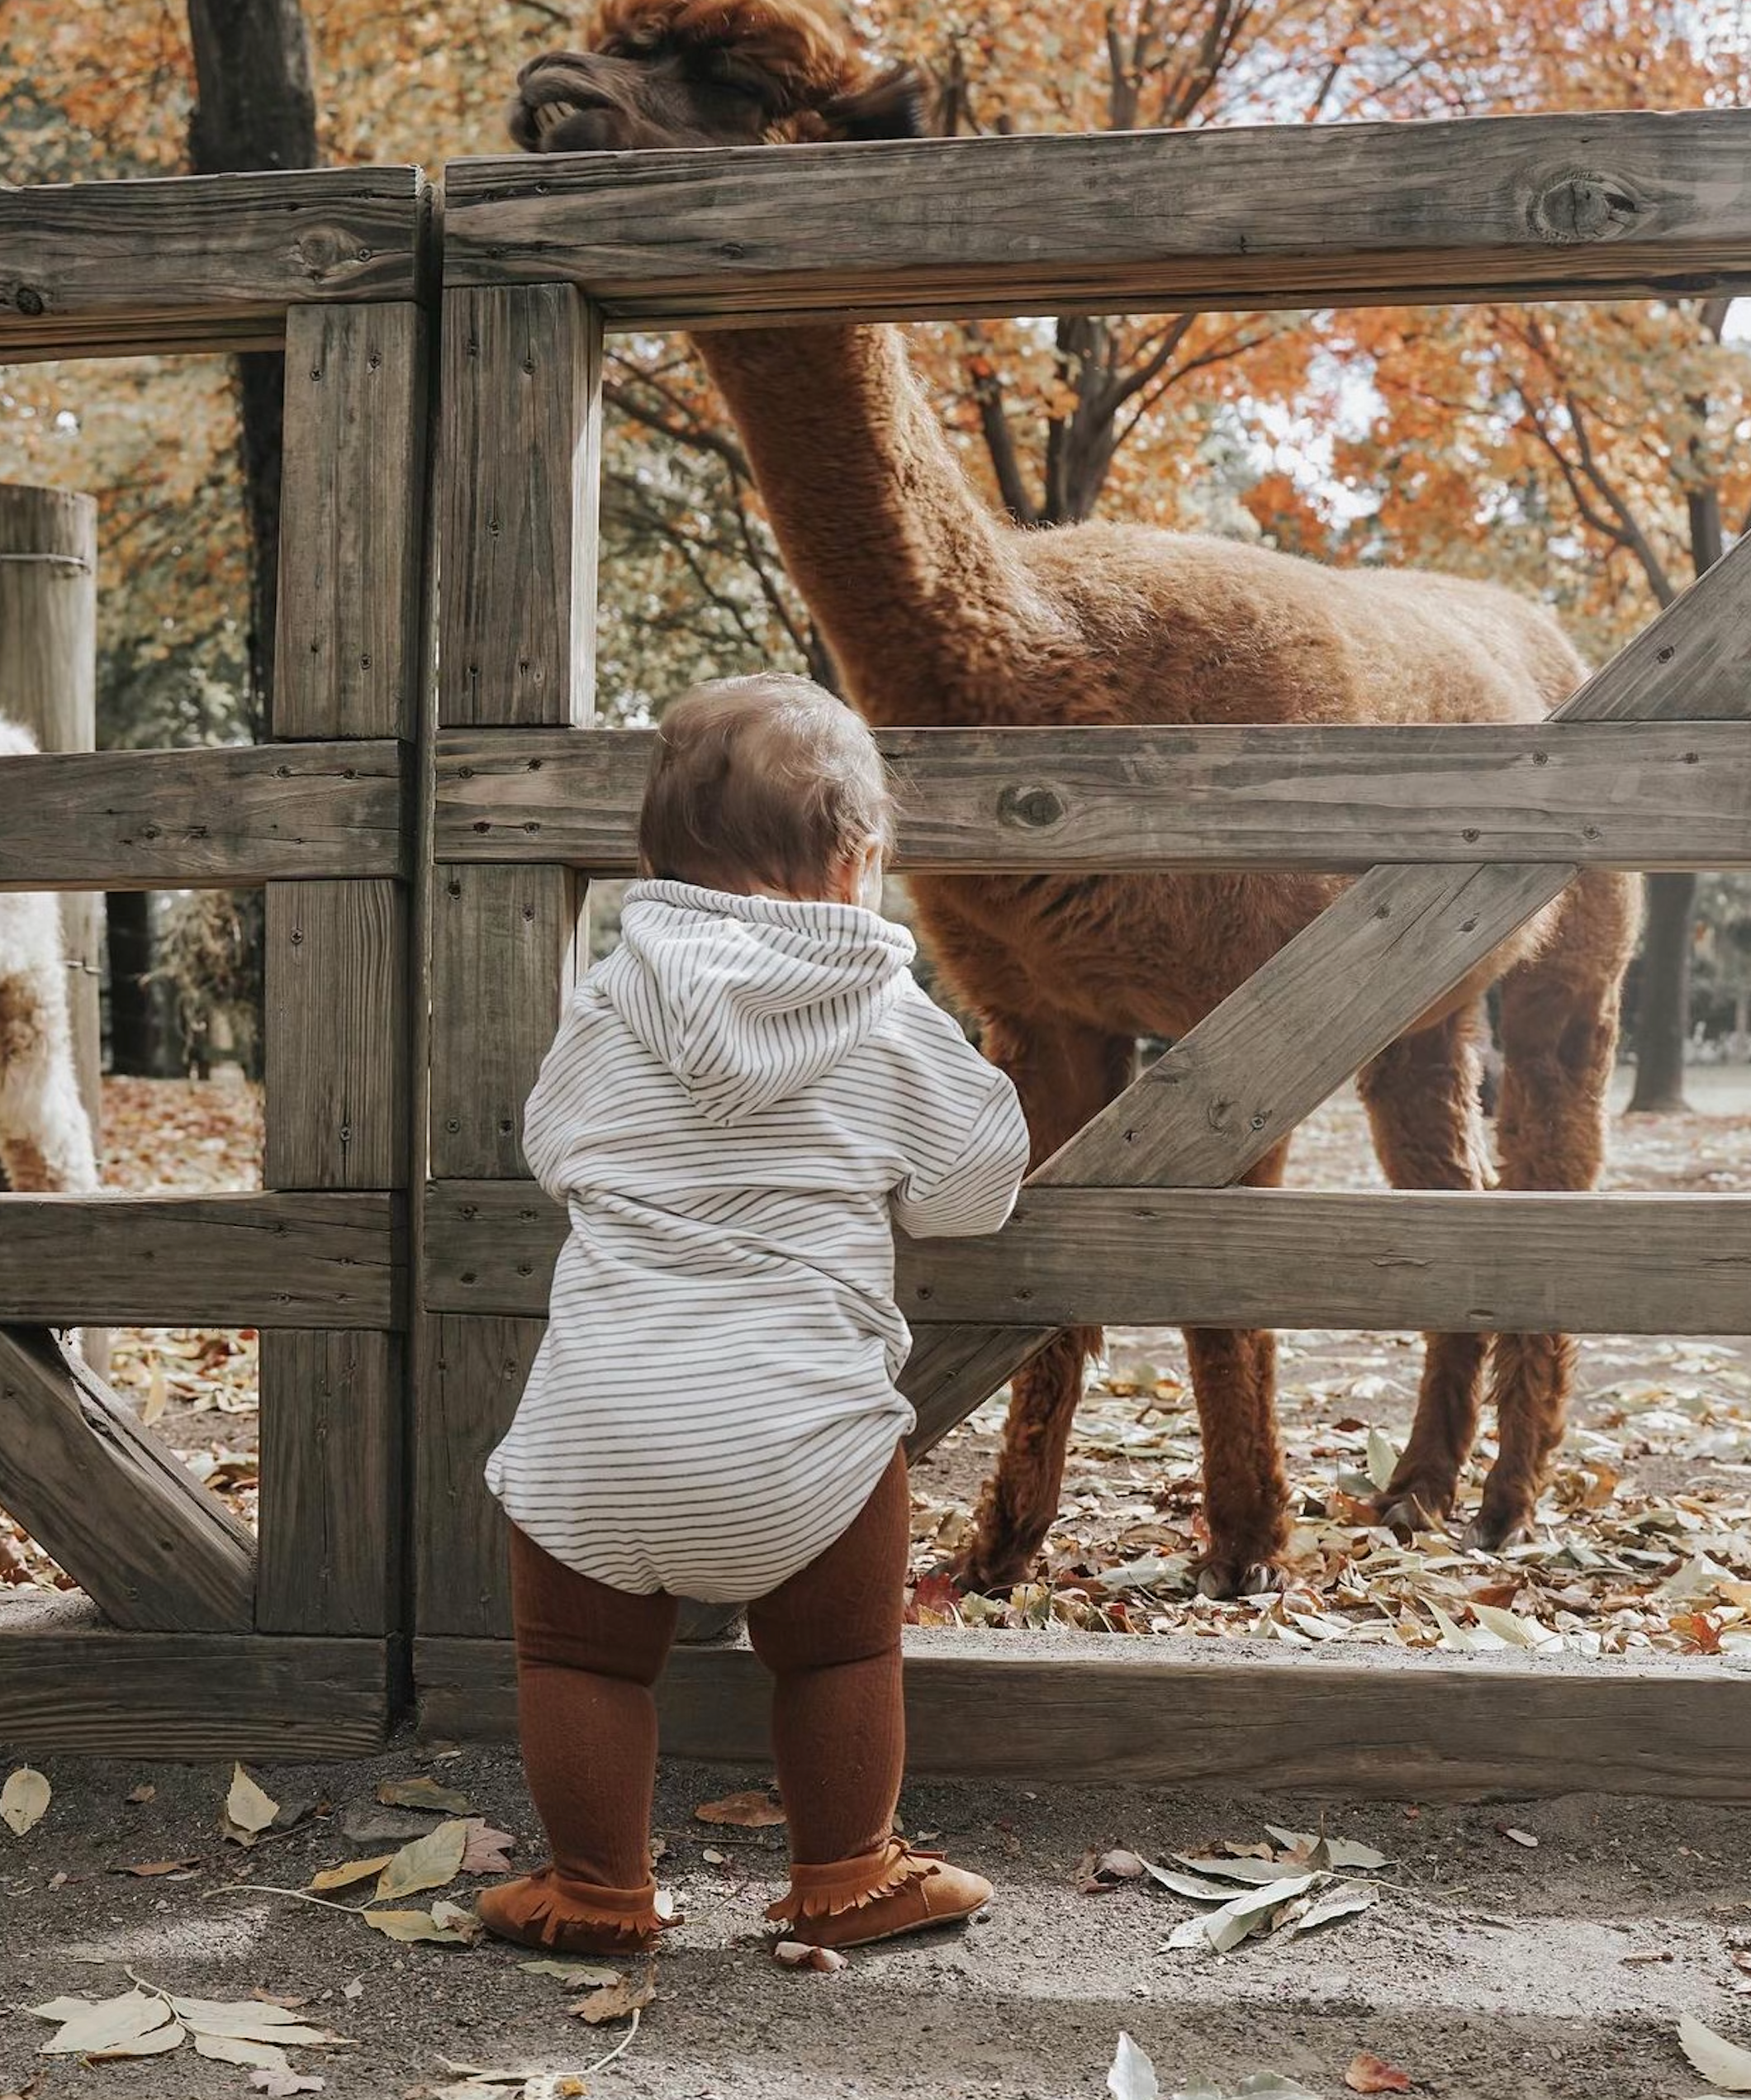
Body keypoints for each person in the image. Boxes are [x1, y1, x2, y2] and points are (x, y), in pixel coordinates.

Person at [477, 672, 1032, 1958]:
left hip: (604, 1418)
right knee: (840, 1657)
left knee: (579, 1662)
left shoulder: (613, 998)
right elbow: (968, 1192)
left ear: (658, 856)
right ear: (859, 860)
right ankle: (849, 1870)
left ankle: (598, 1887)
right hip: (802, 1436)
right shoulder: (886, 1015)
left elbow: (554, 1142)